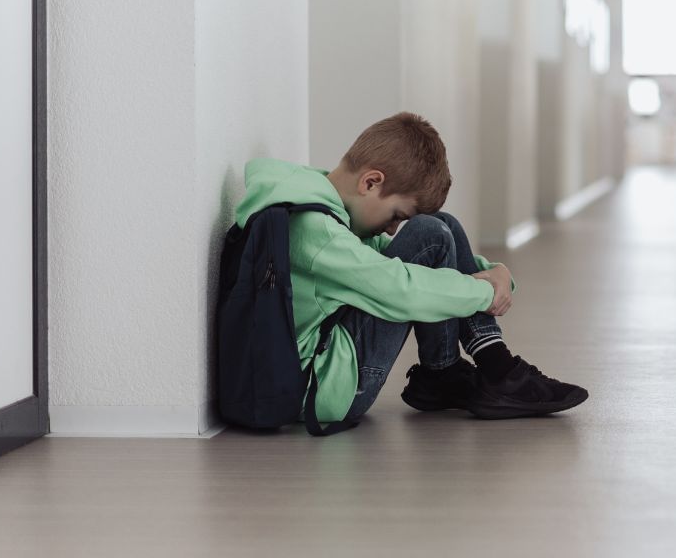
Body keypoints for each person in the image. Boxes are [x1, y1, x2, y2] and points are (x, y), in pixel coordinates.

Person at [232, 112, 588, 425]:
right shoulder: (315, 229)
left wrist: (494, 272)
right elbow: (399, 289)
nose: (391, 230)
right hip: (323, 389)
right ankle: (488, 369)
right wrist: (484, 292)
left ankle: (452, 374)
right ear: (371, 183)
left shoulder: (316, 205)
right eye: (396, 216)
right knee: (430, 231)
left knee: (438, 226)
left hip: (327, 365)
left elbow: (392, 260)